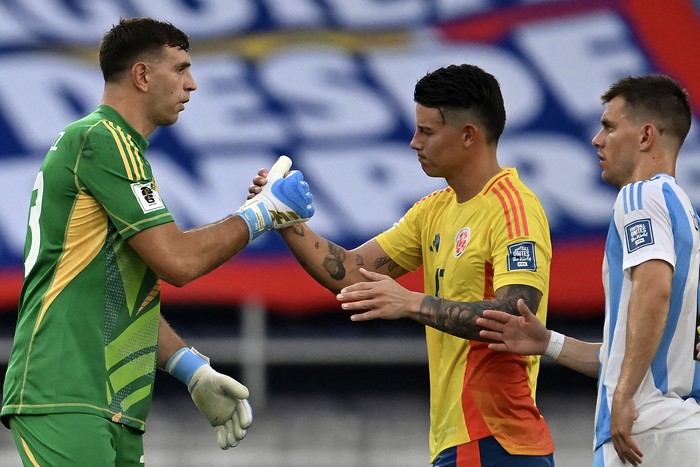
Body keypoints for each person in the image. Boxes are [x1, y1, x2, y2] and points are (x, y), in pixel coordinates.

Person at [0, 17, 314, 466]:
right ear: (143, 76)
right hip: (65, 392)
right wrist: (262, 213)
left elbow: (117, 293)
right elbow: (178, 262)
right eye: (181, 68)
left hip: (109, 404)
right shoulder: (102, 139)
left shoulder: (116, 148)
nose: (193, 84)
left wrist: (191, 369)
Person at [250, 64, 555, 466]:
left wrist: (412, 303)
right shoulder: (433, 210)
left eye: (427, 131)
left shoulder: (514, 209)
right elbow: (352, 272)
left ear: (468, 136)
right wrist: (284, 219)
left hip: (496, 439)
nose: (414, 142)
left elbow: (516, 316)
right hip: (459, 442)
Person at [476, 74, 700, 466]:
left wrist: (625, 395)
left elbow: (654, 290)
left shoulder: (641, 195)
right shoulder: (684, 212)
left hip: (646, 433)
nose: (597, 140)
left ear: (646, 136)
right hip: (675, 431)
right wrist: (548, 342)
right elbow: (630, 352)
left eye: (610, 127)